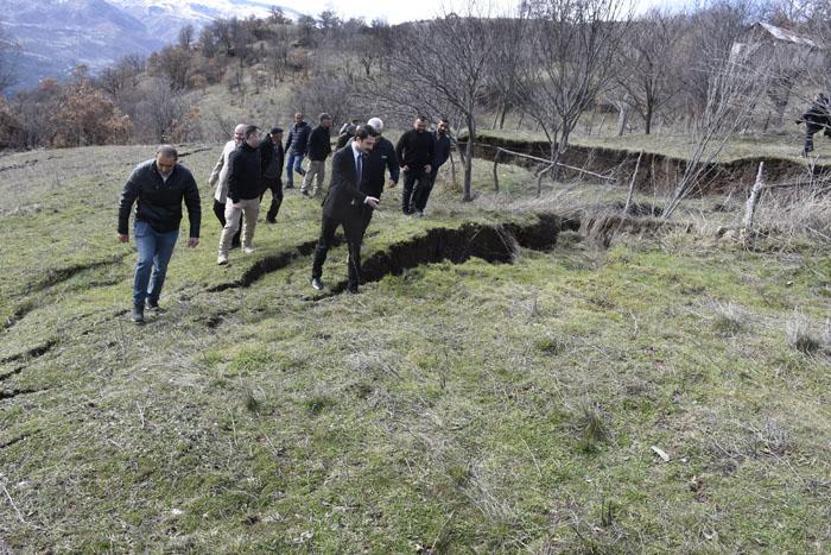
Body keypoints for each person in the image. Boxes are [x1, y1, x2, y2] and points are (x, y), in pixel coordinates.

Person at [117, 145, 201, 324]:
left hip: (170, 226)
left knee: (161, 267)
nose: (163, 169)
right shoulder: (141, 172)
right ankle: (138, 306)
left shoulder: (184, 176)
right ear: (155, 158)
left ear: (175, 162)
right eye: (160, 164)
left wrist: (194, 233)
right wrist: (122, 229)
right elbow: (126, 199)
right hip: (145, 223)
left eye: (168, 166)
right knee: (145, 261)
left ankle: (152, 300)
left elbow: (194, 204)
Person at [311, 125, 380, 294]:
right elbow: (342, 183)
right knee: (324, 243)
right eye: (368, 143)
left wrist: (369, 199)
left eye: (373, 144)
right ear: (358, 139)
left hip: (354, 209)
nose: (371, 147)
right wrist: (365, 198)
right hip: (335, 207)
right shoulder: (341, 155)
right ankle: (315, 276)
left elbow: (367, 181)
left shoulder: (367, 156)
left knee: (354, 246)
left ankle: (353, 285)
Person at [218, 125, 263, 264]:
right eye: (257, 136)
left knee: (251, 223)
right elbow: (231, 178)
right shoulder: (237, 155)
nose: (259, 138)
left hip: (253, 196)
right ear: (250, 137)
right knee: (231, 226)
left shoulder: (257, 151)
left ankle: (247, 245)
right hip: (236, 198)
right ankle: (222, 253)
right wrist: (235, 199)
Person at [207, 123, 245, 247]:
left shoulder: (248, 149)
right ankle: (229, 231)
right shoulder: (229, 145)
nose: (238, 136)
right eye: (236, 134)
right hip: (223, 185)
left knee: (236, 212)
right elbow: (221, 161)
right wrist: (213, 177)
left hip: (237, 186)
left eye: (241, 134)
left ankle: (235, 240)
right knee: (217, 208)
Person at [395, 115, 435, 216]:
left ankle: (414, 206)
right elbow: (398, 149)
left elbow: (433, 152)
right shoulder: (407, 135)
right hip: (409, 167)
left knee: (422, 187)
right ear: (414, 124)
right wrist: (402, 164)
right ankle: (405, 211)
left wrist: (430, 164)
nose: (421, 128)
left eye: (423, 126)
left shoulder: (429, 136)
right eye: (419, 125)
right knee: (407, 190)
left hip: (422, 168)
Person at [414, 118, 452, 215]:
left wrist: (433, 165)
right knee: (418, 187)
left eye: (445, 127)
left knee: (427, 188)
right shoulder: (428, 135)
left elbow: (445, 156)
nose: (443, 128)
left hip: (434, 169)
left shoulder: (447, 141)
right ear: (437, 125)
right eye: (441, 126)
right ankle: (412, 207)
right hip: (422, 166)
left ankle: (420, 209)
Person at [366, 117, 400, 219]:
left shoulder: (387, 145)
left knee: (368, 213)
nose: (374, 139)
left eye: (377, 135)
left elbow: (394, 164)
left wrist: (394, 178)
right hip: (358, 183)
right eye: (372, 135)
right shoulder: (357, 141)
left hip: (376, 185)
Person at [301, 113, 333, 197]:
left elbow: (327, 142)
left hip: (322, 158)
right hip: (314, 158)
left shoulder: (326, 130)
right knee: (310, 174)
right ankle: (304, 189)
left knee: (320, 176)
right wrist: (311, 157)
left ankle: (317, 192)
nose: (329, 121)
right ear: (322, 120)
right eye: (327, 119)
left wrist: (329, 151)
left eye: (329, 119)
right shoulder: (315, 131)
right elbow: (309, 144)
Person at [260, 127, 285, 223]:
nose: (282, 136)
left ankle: (271, 218)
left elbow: (280, 159)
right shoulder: (264, 144)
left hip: (276, 177)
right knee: (257, 198)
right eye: (280, 134)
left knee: (278, 197)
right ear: (274, 135)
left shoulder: (279, 144)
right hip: (264, 177)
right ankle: (252, 216)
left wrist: (279, 172)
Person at [284, 112, 310, 188]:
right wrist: (285, 150)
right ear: (295, 119)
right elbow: (289, 140)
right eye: (297, 118)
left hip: (300, 152)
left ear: (302, 118)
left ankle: (308, 177)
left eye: (300, 118)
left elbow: (309, 141)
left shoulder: (306, 128)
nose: (298, 119)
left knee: (296, 167)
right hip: (292, 151)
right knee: (288, 167)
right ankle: (290, 183)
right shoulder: (293, 127)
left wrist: (306, 151)